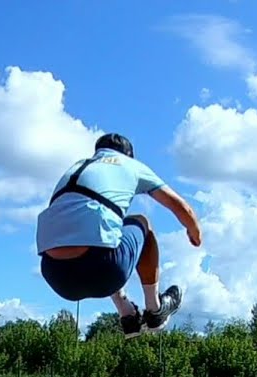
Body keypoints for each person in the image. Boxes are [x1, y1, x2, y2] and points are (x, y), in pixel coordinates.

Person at [35, 132, 202, 338]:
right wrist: (194, 231)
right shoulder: (130, 165)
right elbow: (180, 207)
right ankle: (155, 310)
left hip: (56, 276)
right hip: (105, 269)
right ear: (129, 155)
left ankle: (127, 314)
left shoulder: (75, 168)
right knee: (142, 222)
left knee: (109, 232)